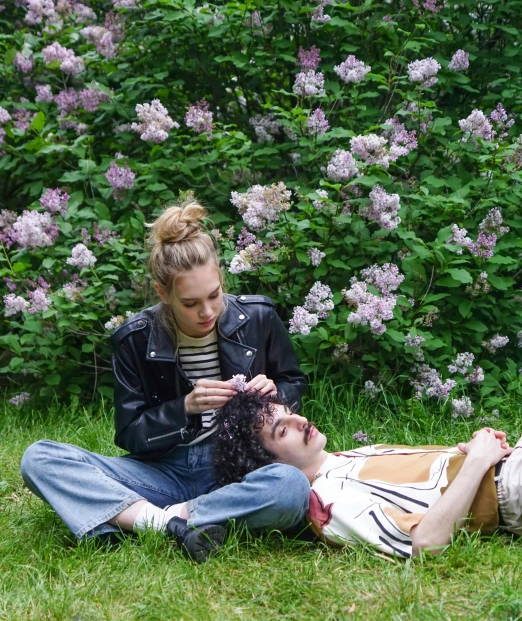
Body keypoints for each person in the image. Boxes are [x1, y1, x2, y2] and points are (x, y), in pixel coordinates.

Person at [20, 202, 310, 562]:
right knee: (39, 458)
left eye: (214, 295)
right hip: (162, 471)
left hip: (236, 471)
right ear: (162, 292)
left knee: (290, 487)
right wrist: (184, 408)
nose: (207, 312)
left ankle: (147, 519)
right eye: (190, 303)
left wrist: (276, 392)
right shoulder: (134, 339)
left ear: (221, 278)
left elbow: (294, 382)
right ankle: (177, 522)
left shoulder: (258, 317)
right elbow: (131, 436)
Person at [213, 392, 520, 558]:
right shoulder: (328, 501)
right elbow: (426, 542)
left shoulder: (344, 459)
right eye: (283, 430)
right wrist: (478, 462)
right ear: (270, 468)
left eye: (290, 413)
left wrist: (475, 448)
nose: (301, 421)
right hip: (509, 488)